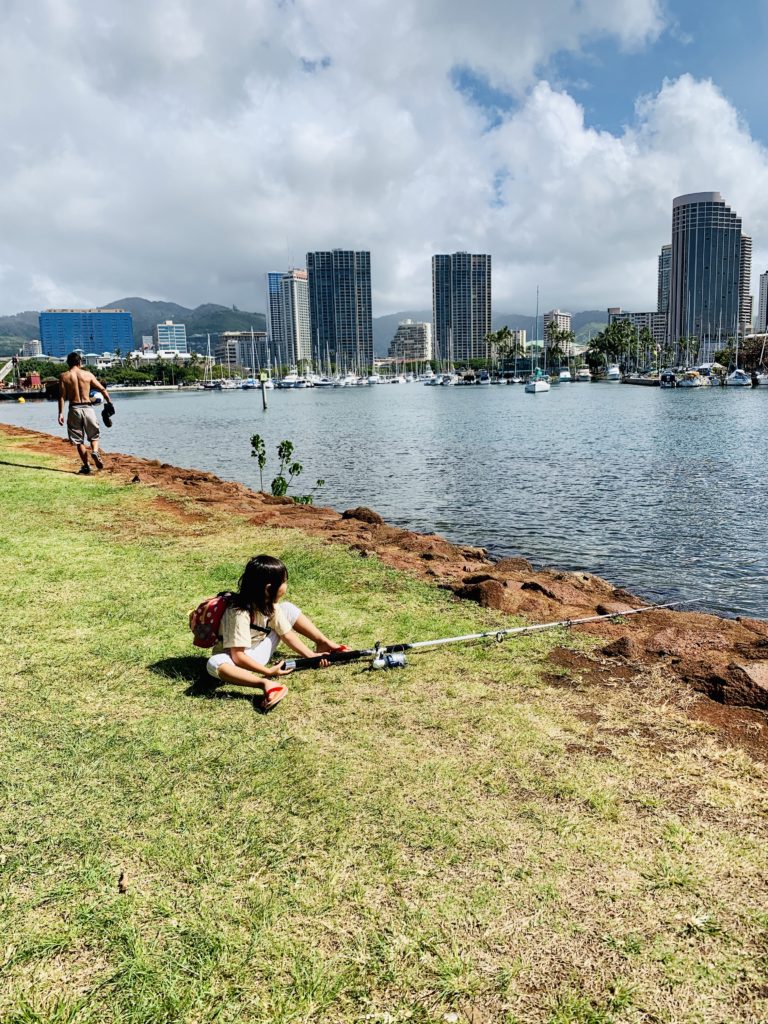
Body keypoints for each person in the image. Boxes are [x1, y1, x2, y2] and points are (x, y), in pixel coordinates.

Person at [206, 554, 345, 711]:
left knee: (288, 609)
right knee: (214, 663)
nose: (286, 586)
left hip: (258, 647)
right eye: (284, 582)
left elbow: (287, 635)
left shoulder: (268, 604)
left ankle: (323, 643)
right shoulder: (238, 613)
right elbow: (238, 656)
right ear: (268, 588)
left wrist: (312, 657)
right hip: (240, 660)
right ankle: (265, 684)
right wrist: (268, 672)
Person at [57, 352, 112, 474]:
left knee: (78, 440)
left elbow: (61, 396)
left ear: (68, 363)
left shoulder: (64, 376)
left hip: (74, 409)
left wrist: (60, 413)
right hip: (88, 408)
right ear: (80, 362)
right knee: (94, 436)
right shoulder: (88, 375)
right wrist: (109, 403)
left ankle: (86, 466)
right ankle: (95, 452)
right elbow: (102, 389)